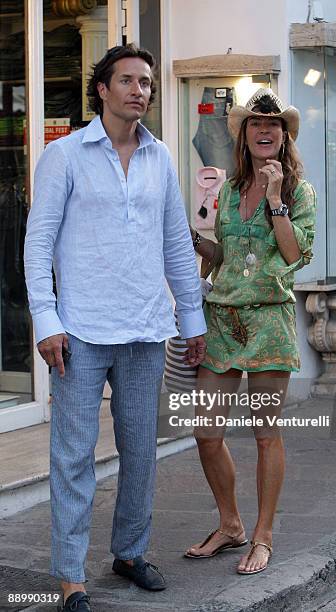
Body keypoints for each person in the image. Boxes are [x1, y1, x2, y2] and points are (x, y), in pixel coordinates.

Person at [24, 44, 207, 612]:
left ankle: (129, 553)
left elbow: (177, 243)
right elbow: (38, 243)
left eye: (146, 82)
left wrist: (191, 316)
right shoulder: (65, 155)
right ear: (101, 89)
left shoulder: (161, 157)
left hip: (146, 328)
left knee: (140, 452)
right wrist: (46, 318)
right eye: (127, 80)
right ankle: (70, 576)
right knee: (74, 455)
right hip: (78, 330)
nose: (139, 90)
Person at [185, 89, 316, 575]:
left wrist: (277, 198)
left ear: (285, 137)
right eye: (257, 124)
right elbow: (226, 260)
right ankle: (230, 523)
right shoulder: (231, 188)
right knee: (205, 431)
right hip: (223, 320)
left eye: (274, 125)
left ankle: (262, 535)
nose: (265, 131)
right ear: (244, 135)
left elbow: (293, 256)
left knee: (265, 434)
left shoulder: (301, 192)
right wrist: (195, 239)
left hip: (268, 323)